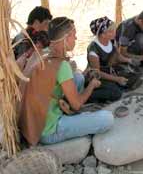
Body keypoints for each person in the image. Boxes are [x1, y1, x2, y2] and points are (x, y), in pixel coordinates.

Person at [18, 17, 114, 145]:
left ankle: (67, 113)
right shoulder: (62, 65)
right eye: (74, 35)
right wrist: (91, 85)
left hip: (32, 124)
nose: (76, 39)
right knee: (107, 119)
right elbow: (77, 105)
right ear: (65, 38)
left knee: (78, 78)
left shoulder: (42, 52)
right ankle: (67, 120)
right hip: (48, 131)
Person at [87, 17, 142, 102]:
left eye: (114, 30)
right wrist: (117, 79)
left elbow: (118, 56)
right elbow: (97, 72)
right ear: (102, 34)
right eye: (111, 31)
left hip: (110, 71)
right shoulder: (93, 49)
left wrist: (129, 60)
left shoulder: (111, 41)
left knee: (135, 75)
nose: (114, 33)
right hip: (99, 76)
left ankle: (117, 85)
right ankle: (89, 95)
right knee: (116, 93)